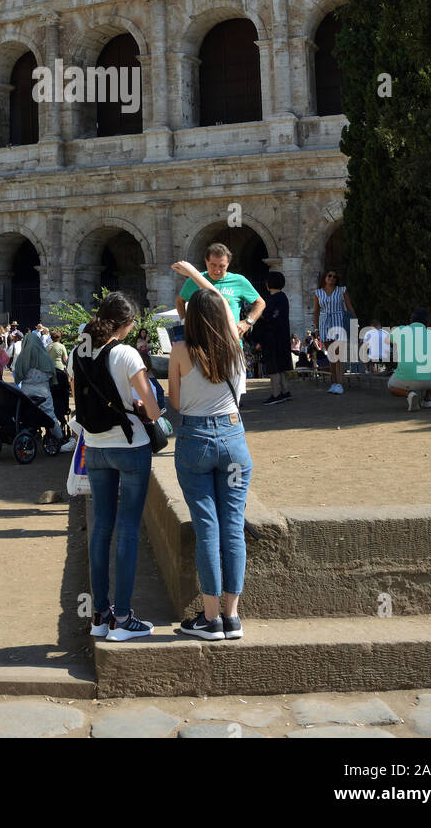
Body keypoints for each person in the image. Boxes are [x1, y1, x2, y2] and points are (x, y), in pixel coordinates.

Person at [70, 290, 161, 641]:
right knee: (127, 528)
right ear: (126, 324)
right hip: (129, 445)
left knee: (101, 527)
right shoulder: (126, 354)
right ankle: (123, 619)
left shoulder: (80, 349)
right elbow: (152, 410)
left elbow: (76, 393)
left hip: (94, 446)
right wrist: (141, 406)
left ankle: (99, 615)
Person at [168, 260, 252, 639]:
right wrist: (198, 278)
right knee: (233, 527)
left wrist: (187, 274)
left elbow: (174, 402)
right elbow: (218, 297)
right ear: (222, 313)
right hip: (233, 442)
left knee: (207, 528)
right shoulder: (234, 342)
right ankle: (233, 618)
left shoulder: (181, 350)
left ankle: (211, 617)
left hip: (196, 443)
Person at [175, 243, 265, 353]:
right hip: (200, 346)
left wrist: (247, 322)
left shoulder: (239, 281)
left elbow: (260, 303)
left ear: (228, 264)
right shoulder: (194, 280)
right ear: (206, 261)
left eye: (222, 266)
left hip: (230, 346)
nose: (217, 270)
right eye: (213, 265)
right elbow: (180, 301)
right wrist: (185, 322)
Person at [387, 310, 431, 410]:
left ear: (410, 320)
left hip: (407, 377)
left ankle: (409, 394)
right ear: (428, 323)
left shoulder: (401, 330)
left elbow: (389, 341)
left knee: (391, 386)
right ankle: (428, 400)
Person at [13, 332, 64, 440]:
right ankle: (59, 438)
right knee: (50, 414)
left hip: (26, 390)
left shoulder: (22, 358)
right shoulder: (45, 356)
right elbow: (51, 373)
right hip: (43, 390)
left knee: (26, 416)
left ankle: (24, 440)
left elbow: (17, 375)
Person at [313, 269, 356, 395]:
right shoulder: (318, 293)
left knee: (338, 354)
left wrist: (355, 323)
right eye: (329, 276)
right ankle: (334, 383)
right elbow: (316, 312)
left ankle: (340, 383)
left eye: (334, 277)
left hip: (339, 322)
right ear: (325, 277)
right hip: (324, 323)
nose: (332, 278)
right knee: (331, 355)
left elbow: (349, 307)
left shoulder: (342, 290)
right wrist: (316, 328)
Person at [259, 270, 293, 404]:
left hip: (272, 336)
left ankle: (276, 394)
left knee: (273, 367)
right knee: (282, 366)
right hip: (282, 335)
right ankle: (285, 391)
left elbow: (268, 316)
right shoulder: (283, 297)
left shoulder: (273, 299)